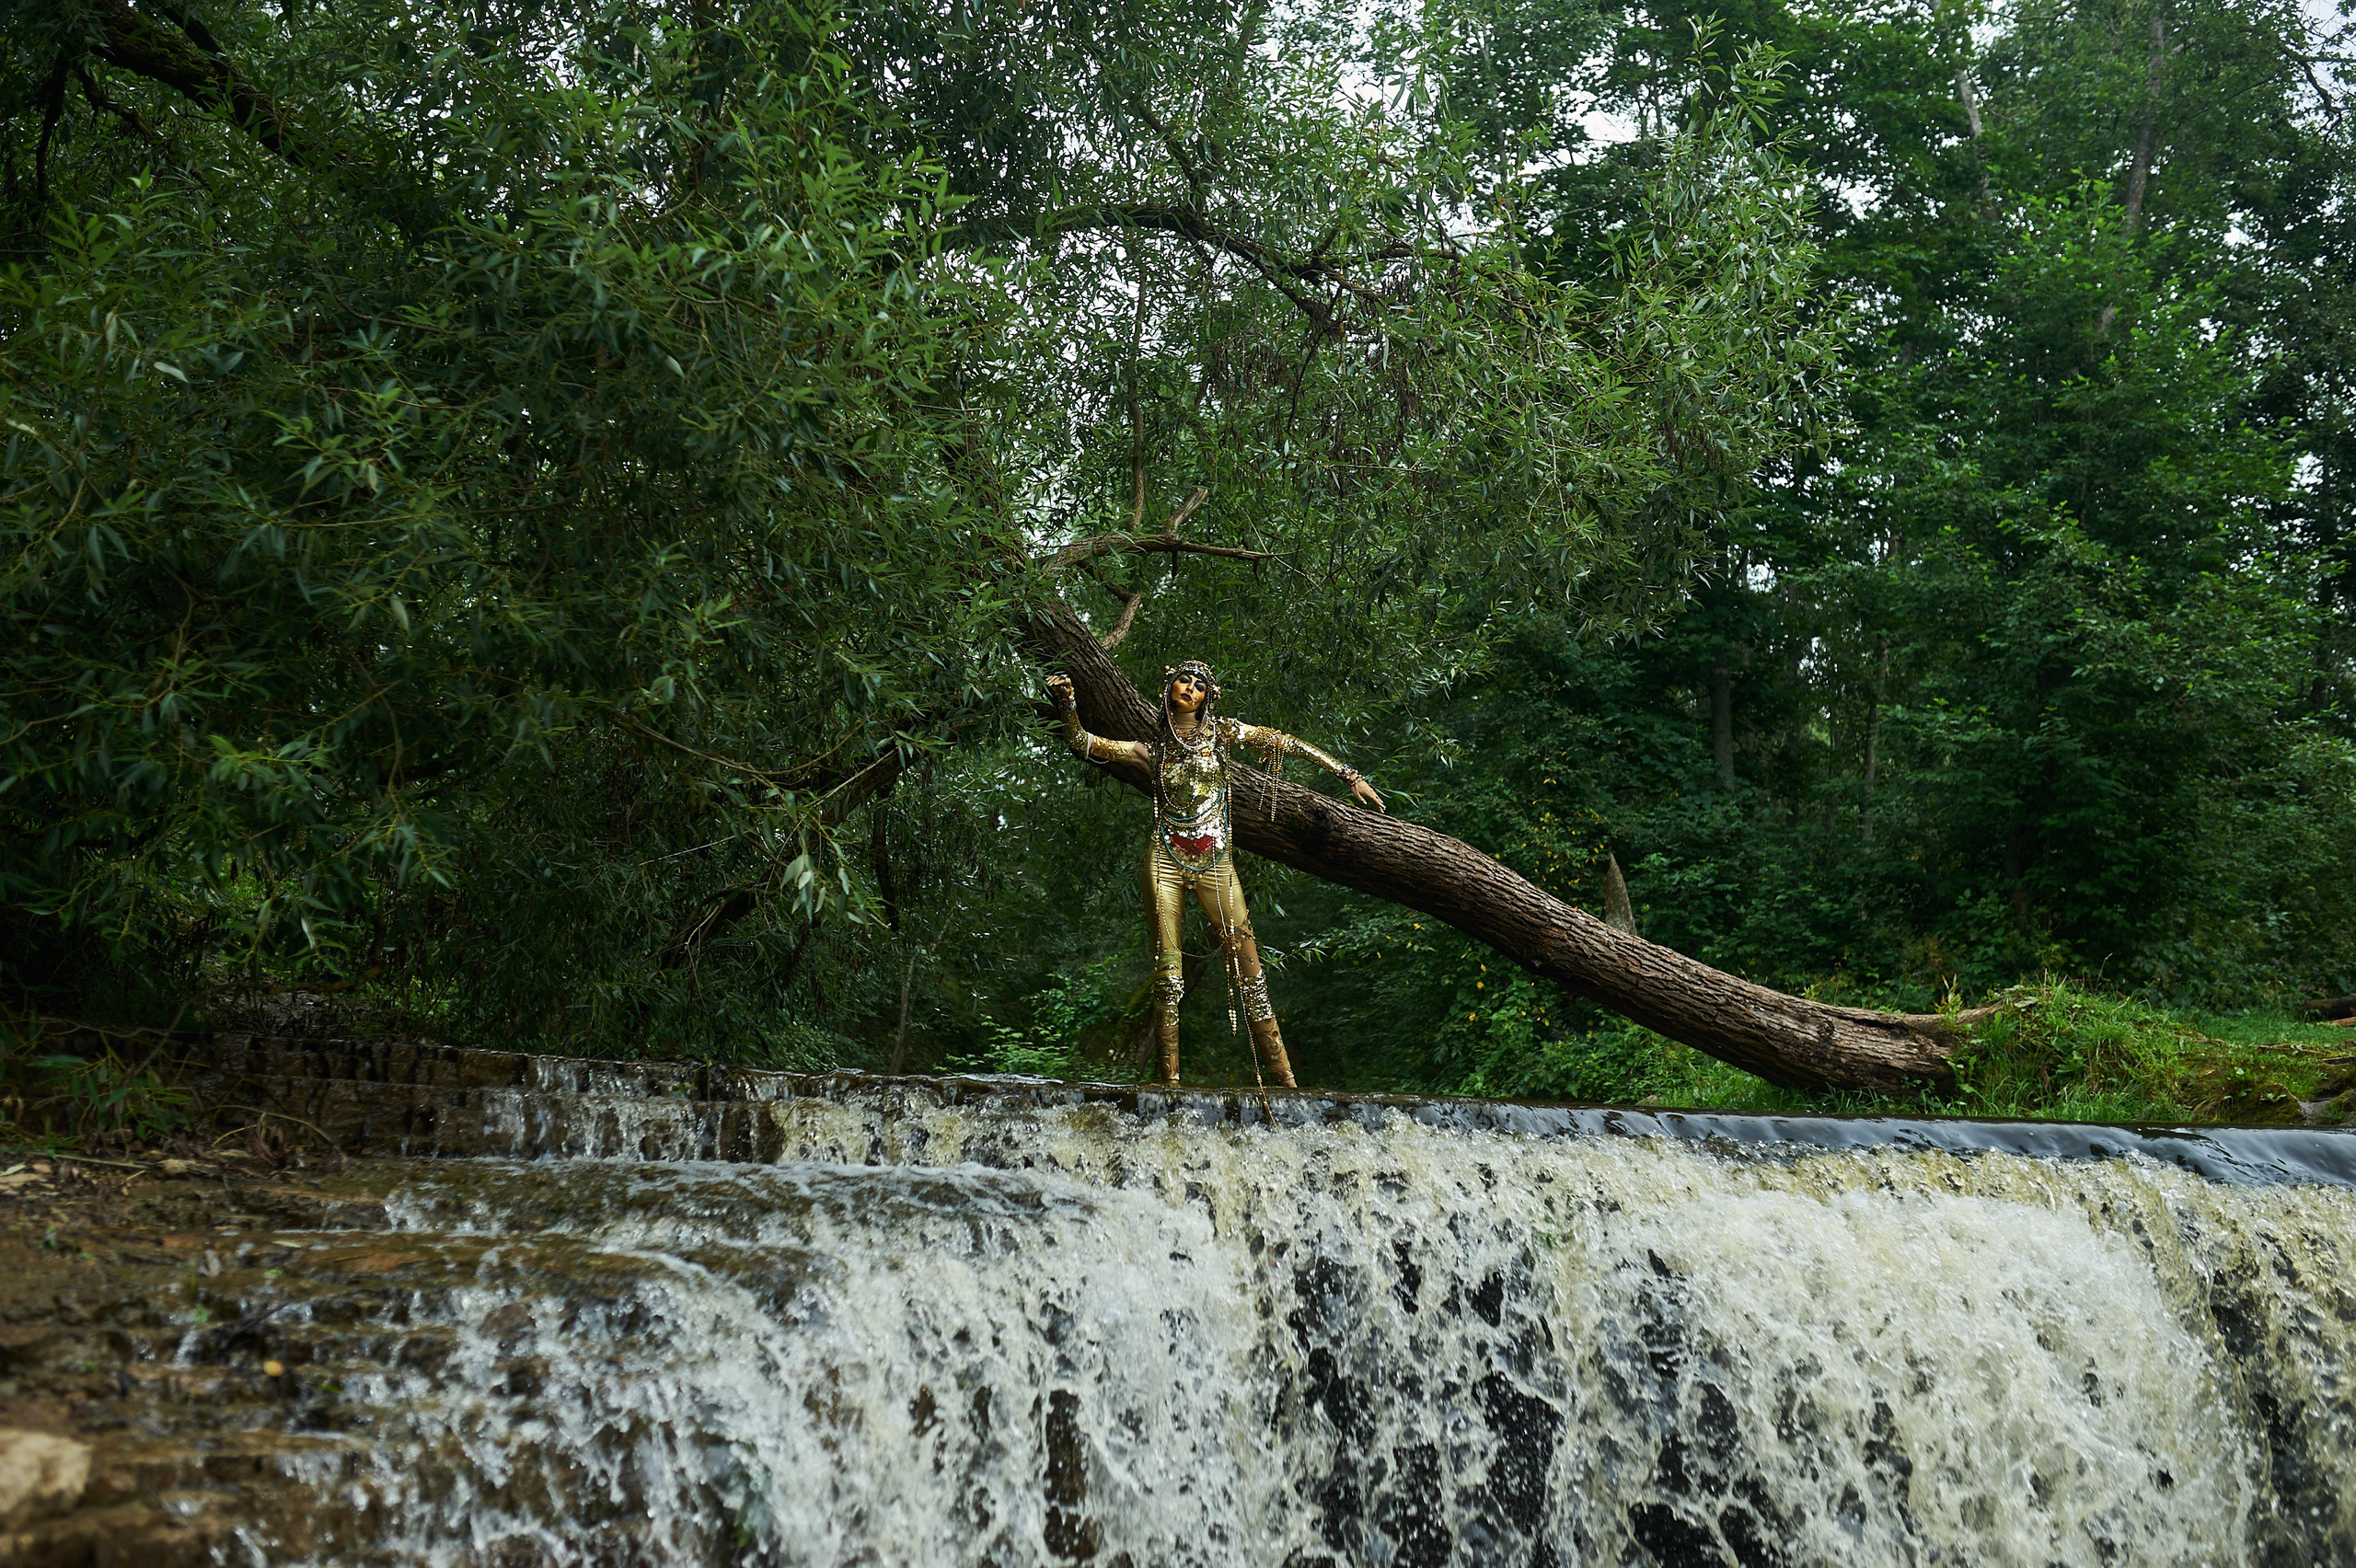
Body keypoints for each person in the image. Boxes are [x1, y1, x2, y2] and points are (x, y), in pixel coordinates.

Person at [1045, 661, 1384, 1087]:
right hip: (1165, 858)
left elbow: (1285, 742)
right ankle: (1168, 1085)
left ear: (1208, 697)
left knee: (1249, 965)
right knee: (1168, 972)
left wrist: (1348, 774)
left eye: (1200, 685)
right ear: (1168, 687)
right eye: (1184, 681)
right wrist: (1068, 703)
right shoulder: (1149, 750)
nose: (1190, 688)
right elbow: (1081, 742)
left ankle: (1285, 1082)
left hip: (1216, 860)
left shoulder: (1222, 734)